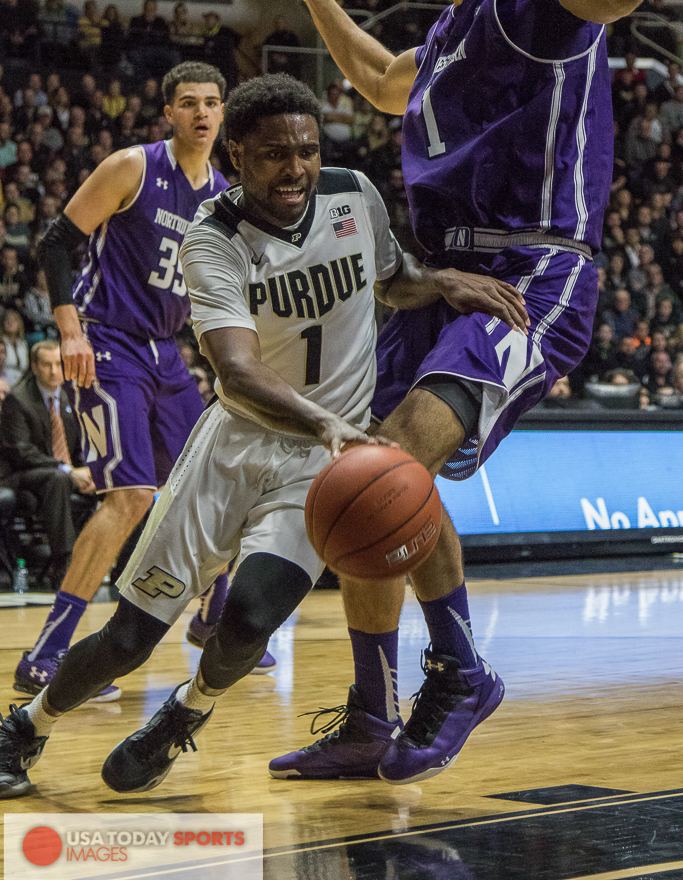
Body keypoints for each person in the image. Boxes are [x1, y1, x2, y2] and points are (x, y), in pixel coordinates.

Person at [0, 74, 528, 798]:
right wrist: (327, 423)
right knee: (128, 637)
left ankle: (185, 714)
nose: (296, 169)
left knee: (248, 622)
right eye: (276, 154)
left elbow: (390, 277)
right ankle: (28, 726)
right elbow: (239, 371)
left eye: (307, 150)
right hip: (235, 448)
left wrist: (438, 282)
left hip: (322, 464)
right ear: (238, 154)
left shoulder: (351, 193)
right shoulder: (210, 238)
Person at [272, 0, 648, 785]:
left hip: (532, 268)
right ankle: (368, 715)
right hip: (444, 276)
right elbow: (372, 78)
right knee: (373, 474)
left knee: (392, 458)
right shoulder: (441, 37)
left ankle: (460, 673)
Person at [8, 61, 271, 703]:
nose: (203, 113)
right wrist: (69, 330)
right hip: (107, 340)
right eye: (189, 103)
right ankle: (47, 650)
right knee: (130, 496)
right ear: (169, 114)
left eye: (213, 103)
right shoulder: (133, 166)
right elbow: (54, 242)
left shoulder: (225, 198)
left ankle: (211, 619)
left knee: (216, 486)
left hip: (166, 354)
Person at [0, 341, 100, 596]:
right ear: (34, 367)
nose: (54, 371)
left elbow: (82, 445)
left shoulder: (69, 397)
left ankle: (117, 566)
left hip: (60, 474)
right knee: (58, 479)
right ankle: (64, 566)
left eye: (59, 364)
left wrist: (90, 470)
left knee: (117, 480)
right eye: (47, 365)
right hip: (21, 476)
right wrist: (68, 470)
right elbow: (22, 453)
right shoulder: (18, 400)